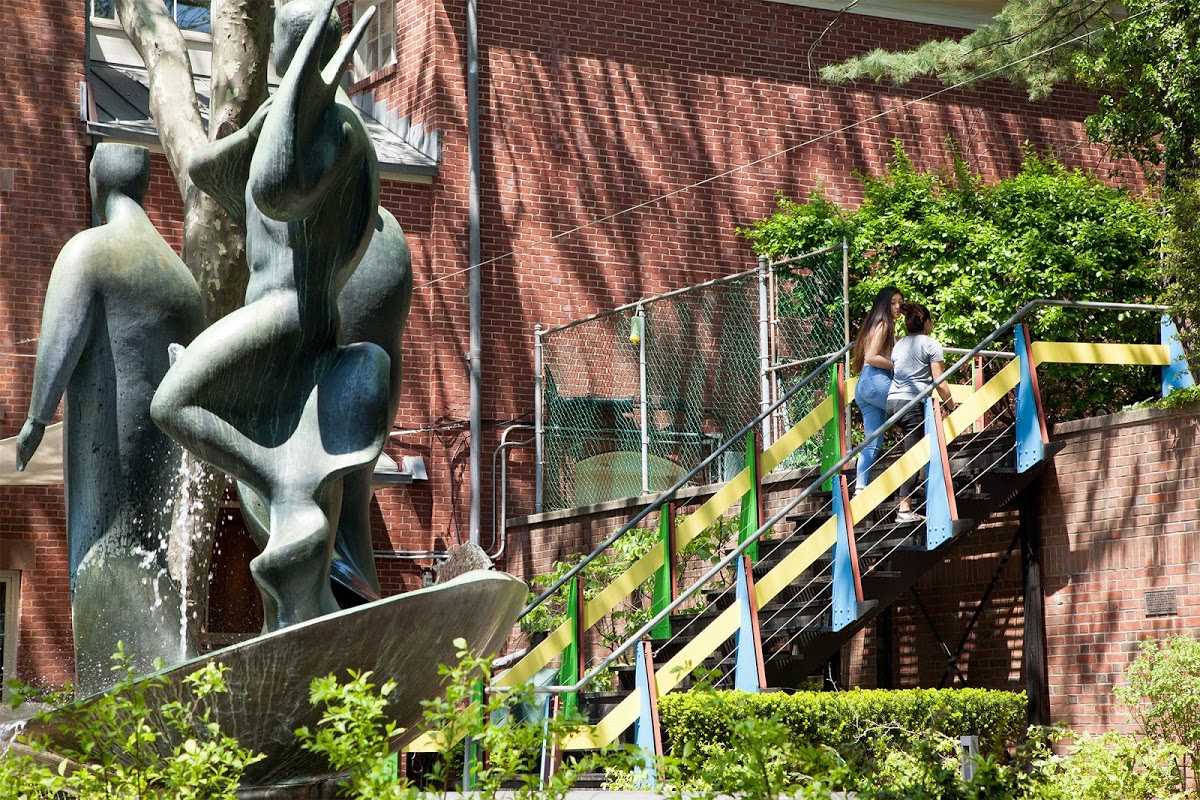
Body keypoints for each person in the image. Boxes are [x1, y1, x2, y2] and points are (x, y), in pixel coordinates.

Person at [152, 0, 391, 630]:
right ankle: (297, 598)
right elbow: (218, 172)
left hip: (288, 312)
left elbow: (278, 193)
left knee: (171, 401)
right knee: (210, 419)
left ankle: (283, 481)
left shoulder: (332, 134)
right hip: (289, 312)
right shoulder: (285, 122)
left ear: (293, 51)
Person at [15, 143, 205, 693]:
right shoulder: (183, 283)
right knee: (147, 560)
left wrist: (34, 419)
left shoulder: (89, 252)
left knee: (97, 562)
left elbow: (61, 340)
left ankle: (103, 704)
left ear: (97, 187)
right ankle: (152, 696)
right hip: (161, 456)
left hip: (102, 444)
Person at [886, 303, 957, 523]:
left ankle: (924, 491)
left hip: (893, 402)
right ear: (925, 322)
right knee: (914, 456)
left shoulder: (899, 345)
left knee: (922, 448)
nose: (932, 323)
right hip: (913, 403)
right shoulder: (931, 344)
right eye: (931, 320)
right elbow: (939, 381)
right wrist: (952, 406)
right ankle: (904, 509)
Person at [851, 286, 903, 495]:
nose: (898, 307)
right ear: (884, 304)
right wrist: (897, 364)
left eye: (900, 302)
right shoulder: (883, 324)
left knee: (873, 440)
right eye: (892, 303)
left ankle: (860, 488)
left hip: (864, 386)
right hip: (876, 379)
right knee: (914, 412)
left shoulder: (872, 325)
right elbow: (872, 357)